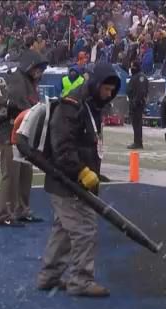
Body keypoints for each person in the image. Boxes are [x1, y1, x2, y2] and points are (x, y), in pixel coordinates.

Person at [37, 62, 121, 297]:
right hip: (69, 182)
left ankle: (49, 276)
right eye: (106, 89)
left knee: (63, 230)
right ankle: (80, 280)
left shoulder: (90, 105)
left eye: (112, 90)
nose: (109, 94)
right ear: (95, 84)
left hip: (69, 181)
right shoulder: (73, 106)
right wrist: (81, 171)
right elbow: (62, 147)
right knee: (84, 229)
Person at [0, 50, 47, 227]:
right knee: (10, 175)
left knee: (25, 174)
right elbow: (21, 105)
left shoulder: (29, 82)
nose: (40, 72)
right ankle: (5, 214)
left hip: (23, 135)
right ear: (30, 65)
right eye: (38, 68)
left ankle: (21, 209)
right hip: (10, 133)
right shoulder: (18, 80)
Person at [126, 60, 149, 150]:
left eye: (133, 66)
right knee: (135, 123)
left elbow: (141, 92)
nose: (131, 69)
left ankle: (138, 142)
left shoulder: (140, 77)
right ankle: (137, 141)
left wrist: (136, 102)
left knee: (137, 123)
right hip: (134, 103)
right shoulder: (136, 76)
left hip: (137, 104)